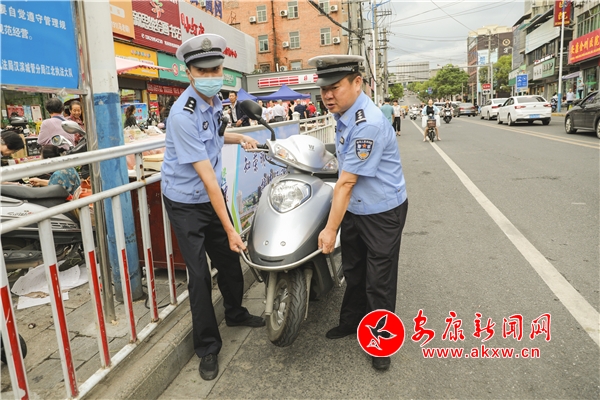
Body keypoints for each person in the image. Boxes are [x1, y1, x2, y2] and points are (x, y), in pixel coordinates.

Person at [161, 33, 265, 382]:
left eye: (215, 70)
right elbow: (206, 177)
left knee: (229, 260)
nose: (210, 76)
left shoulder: (215, 100)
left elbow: (215, 136)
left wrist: (240, 137)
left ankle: (235, 313)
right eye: (202, 71)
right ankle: (207, 346)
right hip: (185, 202)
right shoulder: (182, 115)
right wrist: (232, 228)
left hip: (210, 197)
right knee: (200, 275)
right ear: (188, 72)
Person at [308, 54, 408, 372]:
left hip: (381, 211)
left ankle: (381, 342)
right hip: (356, 208)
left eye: (334, 87)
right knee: (354, 269)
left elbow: (347, 182)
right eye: (323, 89)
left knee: (379, 280)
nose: (327, 95)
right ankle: (352, 321)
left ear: (357, 83)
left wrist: (329, 230)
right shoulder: (345, 115)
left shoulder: (368, 123)